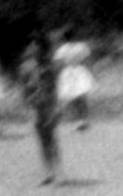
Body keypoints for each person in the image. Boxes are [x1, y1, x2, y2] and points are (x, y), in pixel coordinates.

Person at [18, 33, 62, 185]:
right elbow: (23, 88)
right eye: (32, 45)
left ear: (43, 49)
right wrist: (26, 108)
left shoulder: (49, 66)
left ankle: (59, 171)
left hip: (48, 105)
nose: (33, 48)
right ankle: (48, 173)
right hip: (34, 106)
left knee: (51, 138)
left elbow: (55, 88)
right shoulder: (25, 67)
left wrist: (56, 108)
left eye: (37, 45)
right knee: (42, 141)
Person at [53, 27, 96, 131]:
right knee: (82, 97)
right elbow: (88, 60)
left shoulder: (61, 49)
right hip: (80, 70)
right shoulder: (82, 46)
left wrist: (57, 75)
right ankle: (83, 120)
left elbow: (58, 64)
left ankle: (79, 120)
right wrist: (91, 72)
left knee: (73, 98)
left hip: (68, 72)